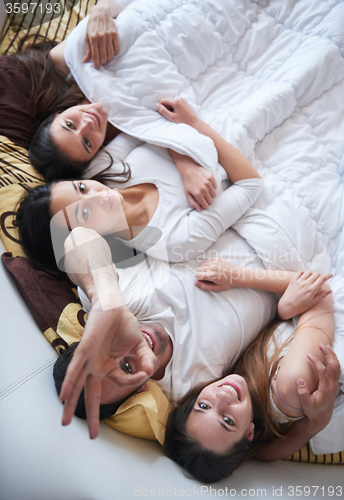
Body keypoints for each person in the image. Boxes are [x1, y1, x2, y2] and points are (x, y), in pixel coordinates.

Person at [16, 98, 263, 271]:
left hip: (204, 104)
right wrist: (195, 125)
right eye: (85, 212)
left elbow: (143, 122)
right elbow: (251, 184)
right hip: (248, 142)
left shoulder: (100, 170)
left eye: (81, 188)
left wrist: (185, 163)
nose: (98, 195)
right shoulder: (173, 240)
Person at [163, 267, 340, 483]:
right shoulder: (291, 388)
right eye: (227, 420)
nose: (222, 398)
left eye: (204, 406)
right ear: (250, 432)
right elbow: (320, 290)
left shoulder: (245, 382)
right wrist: (236, 276)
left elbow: (264, 454)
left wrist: (282, 313)